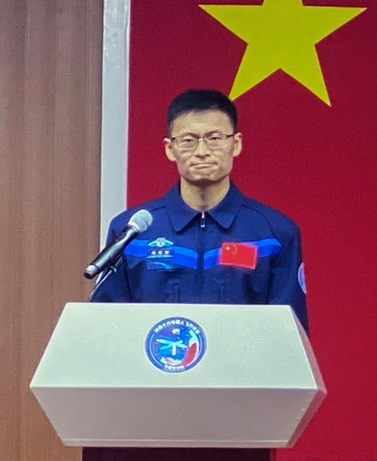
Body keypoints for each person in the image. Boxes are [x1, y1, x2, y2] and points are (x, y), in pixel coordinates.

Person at [91, 88, 309, 332]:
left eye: (214, 139)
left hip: (242, 369)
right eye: (188, 141)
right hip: (154, 368)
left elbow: (290, 338)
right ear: (169, 148)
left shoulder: (274, 234)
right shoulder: (132, 231)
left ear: (235, 144)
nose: (202, 152)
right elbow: (107, 328)